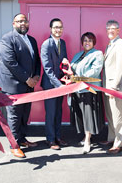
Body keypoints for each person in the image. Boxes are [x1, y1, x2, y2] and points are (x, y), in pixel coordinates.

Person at [0, 13, 41, 158]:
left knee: (25, 113)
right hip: (13, 84)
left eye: (25, 21)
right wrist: (26, 78)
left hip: (28, 84)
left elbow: (36, 60)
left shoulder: (32, 40)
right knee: (14, 115)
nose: (23, 23)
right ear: (13, 23)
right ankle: (14, 144)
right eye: (19, 21)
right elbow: (10, 62)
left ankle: (22, 139)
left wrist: (36, 75)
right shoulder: (7, 39)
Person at [69, 32, 105, 154]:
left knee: (89, 115)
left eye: (89, 40)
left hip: (90, 90)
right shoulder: (78, 55)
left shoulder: (98, 54)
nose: (87, 42)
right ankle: (86, 136)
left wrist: (77, 79)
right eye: (85, 40)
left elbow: (95, 71)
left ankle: (88, 140)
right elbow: (71, 69)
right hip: (77, 90)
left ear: (94, 42)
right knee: (82, 115)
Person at [41, 18, 68, 150]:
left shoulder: (62, 43)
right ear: (51, 29)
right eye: (56, 27)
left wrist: (67, 79)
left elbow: (64, 64)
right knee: (51, 113)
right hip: (50, 85)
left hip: (61, 85)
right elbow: (47, 69)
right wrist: (59, 85)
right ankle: (50, 139)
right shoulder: (46, 44)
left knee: (58, 112)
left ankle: (58, 136)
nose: (58, 30)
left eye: (60, 27)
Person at [101, 20, 122, 154]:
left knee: (118, 116)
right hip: (108, 87)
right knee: (111, 115)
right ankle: (112, 138)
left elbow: (120, 68)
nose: (110, 31)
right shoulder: (110, 45)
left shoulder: (121, 44)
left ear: (118, 30)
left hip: (116, 88)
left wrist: (115, 87)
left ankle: (119, 143)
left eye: (113, 28)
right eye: (108, 29)